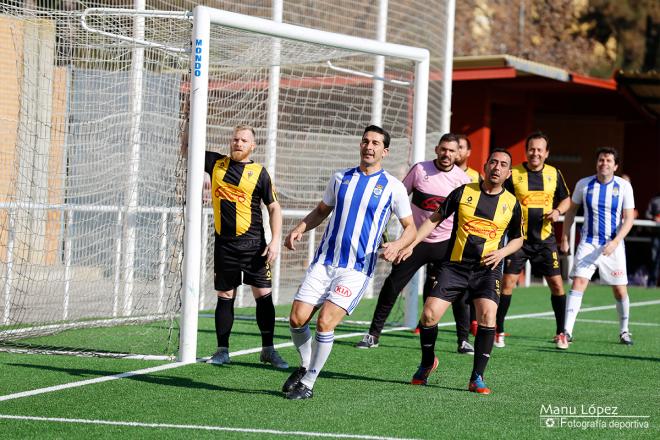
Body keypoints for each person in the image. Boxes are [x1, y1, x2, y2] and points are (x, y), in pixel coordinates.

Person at [281, 125, 416, 400]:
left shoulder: (393, 187)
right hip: (324, 261)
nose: (369, 146)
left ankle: (308, 382)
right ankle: (305, 364)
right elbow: (321, 211)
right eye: (366, 141)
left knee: (325, 323)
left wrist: (398, 245)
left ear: (385, 151)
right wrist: (299, 228)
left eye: (376, 143)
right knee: (296, 318)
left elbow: (411, 228)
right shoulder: (340, 177)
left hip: (356, 269)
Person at [402, 149, 523, 395]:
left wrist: (502, 253)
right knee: (428, 315)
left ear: (508, 173)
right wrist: (412, 243)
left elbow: (519, 239)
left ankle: (477, 376)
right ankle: (427, 363)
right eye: (493, 162)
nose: (497, 168)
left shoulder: (511, 203)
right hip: (454, 267)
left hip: (487, 270)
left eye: (503, 165)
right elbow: (434, 219)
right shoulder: (463, 192)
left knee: (488, 315)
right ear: (485, 166)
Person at [182, 120, 289, 368]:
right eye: (235, 139)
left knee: (263, 295)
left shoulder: (259, 173)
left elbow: (274, 207)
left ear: (252, 145)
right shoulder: (216, 163)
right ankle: (222, 350)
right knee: (225, 295)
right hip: (225, 246)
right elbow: (187, 148)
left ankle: (268, 350)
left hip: (254, 246)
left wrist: (274, 242)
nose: (238, 143)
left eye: (243, 140)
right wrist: (190, 120)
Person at [355, 133, 473, 354]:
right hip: (414, 242)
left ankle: (463, 340)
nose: (447, 154)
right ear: (437, 149)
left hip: (446, 244)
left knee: (458, 291)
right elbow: (396, 198)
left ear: (458, 154)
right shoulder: (420, 170)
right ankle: (373, 334)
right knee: (392, 286)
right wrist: (383, 230)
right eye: (443, 149)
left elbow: (465, 217)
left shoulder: (463, 181)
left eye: (451, 151)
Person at [497, 131, 571, 349]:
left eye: (540, 150)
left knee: (557, 285)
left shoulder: (554, 173)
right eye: (532, 149)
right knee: (508, 283)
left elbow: (566, 199)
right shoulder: (515, 173)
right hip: (519, 240)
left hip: (546, 240)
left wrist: (558, 211)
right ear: (526, 150)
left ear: (546, 153)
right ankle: (498, 331)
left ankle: (560, 333)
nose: (535, 153)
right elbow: (501, 197)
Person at [560, 147, 636, 347]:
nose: (604, 163)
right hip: (588, 242)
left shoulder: (624, 186)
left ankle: (624, 331)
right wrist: (565, 237)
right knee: (578, 283)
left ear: (616, 165)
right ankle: (566, 331)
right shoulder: (584, 184)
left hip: (614, 244)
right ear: (597, 163)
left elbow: (629, 219)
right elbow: (570, 212)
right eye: (601, 160)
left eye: (609, 160)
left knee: (620, 290)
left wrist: (616, 241)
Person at [457, 134, 482, 336]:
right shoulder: (443, 174)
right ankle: (424, 321)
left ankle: (473, 321)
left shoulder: (475, 176)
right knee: (433, 278)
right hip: (448, 235)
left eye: (461, 147)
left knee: (472, 280)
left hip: (470, 237)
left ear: (467, 152)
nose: (457, 151)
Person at [646, 193, 660, 288]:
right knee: (654, 258)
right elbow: (647, 214)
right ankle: (652, 283)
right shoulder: (655, 200)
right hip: (656, 234)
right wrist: (654, 218)